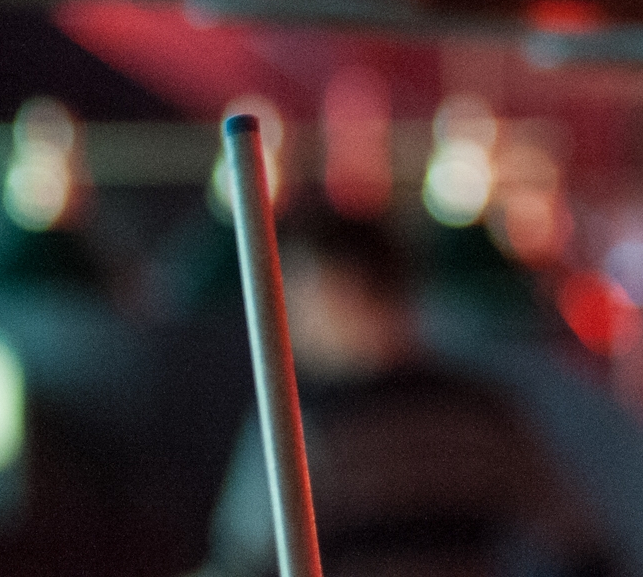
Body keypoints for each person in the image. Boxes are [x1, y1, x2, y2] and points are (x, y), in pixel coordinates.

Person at [199, 208, 620, 577]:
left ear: (350, 287)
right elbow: (579, 542)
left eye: (299, 293)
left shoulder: (297, 425)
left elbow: (243, 557)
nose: (287, 318)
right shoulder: (476, 409)